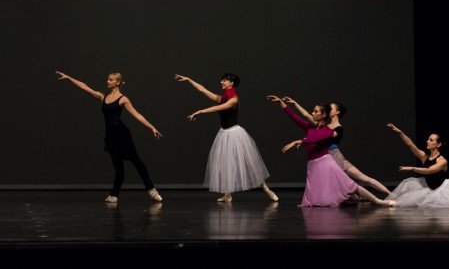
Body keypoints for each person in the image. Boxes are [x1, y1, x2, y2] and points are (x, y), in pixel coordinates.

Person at [56, 71, 163, 203]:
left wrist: (151, 126)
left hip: (122, 135)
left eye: (110, 80)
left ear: (117, 82)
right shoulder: (103, 97)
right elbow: (85, 87)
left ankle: (151, 190)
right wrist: (69, 78)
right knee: (118, 167)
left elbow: (137, 114)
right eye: (107, 79)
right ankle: (114, 195)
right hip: (111, 136)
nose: (107, 81)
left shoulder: (123, 99)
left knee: (136, 161)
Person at [267, 95, 393, 207]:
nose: (313, 113)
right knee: (336, 188)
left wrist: (299, 141)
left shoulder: (332, 130)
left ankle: (381, 199)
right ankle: (353, 198)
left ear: (327, 114)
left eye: (316, 111)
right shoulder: (315, 127)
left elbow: (318, 137)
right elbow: (298, 117)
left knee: (355, 183)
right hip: (315, 162)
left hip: (330, 158)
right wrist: (282, 104)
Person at [175, 73, 278, 203]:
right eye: (222, 80)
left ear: (231, 83)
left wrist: (201, 111)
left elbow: (219, 107)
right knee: (225, 164)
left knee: (250, 162)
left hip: (235, 134)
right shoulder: (223, 98)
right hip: (224, 134)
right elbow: (203, 90)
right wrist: (189, 80)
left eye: (224, 80)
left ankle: (265, 188)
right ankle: (227, 195)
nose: (221, 82)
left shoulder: (234, 99)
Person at [385, 123, 449, 207]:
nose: (427, 141)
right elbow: (411, 145)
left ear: (438, 144)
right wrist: (400, 133)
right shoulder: (424, 157)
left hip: (442, 189)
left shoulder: (442, 161)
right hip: (429, 188)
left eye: (431, 140)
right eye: (428, 139)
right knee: (407, 185)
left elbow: (429, 171)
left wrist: (412, 168)